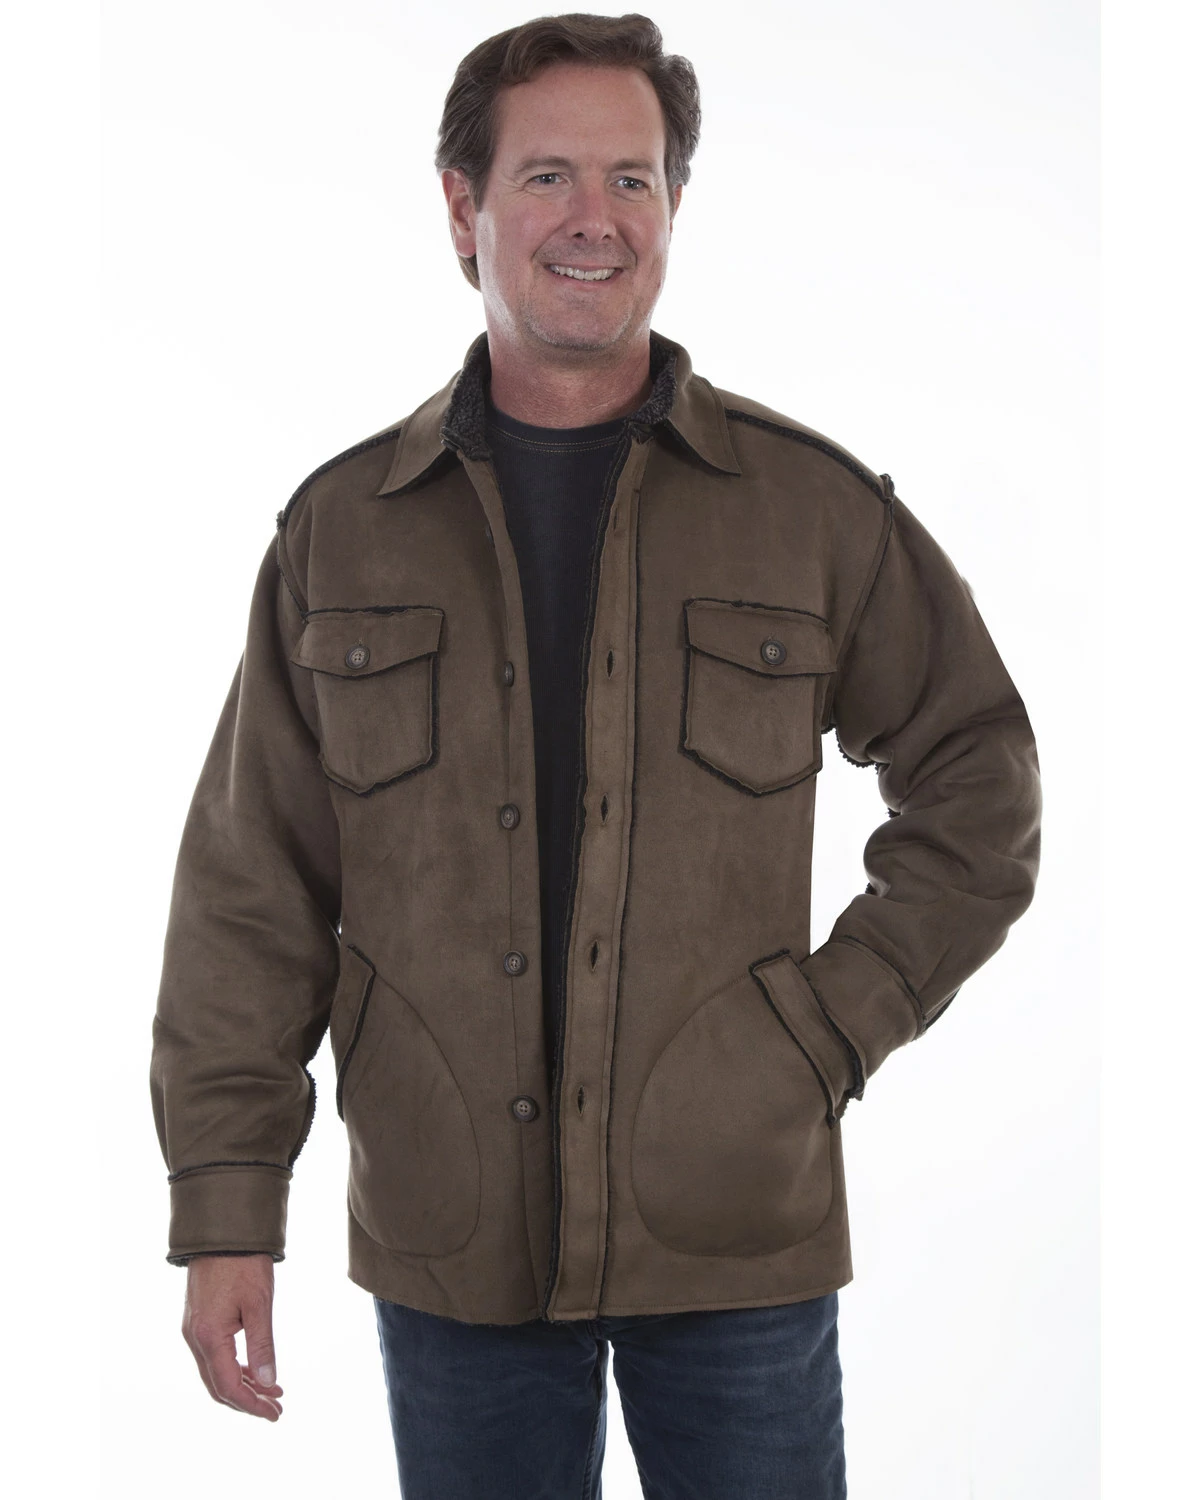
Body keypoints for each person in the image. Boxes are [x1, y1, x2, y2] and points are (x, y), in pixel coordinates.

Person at [149, 12, 1042, 1497]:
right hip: (450, 1231)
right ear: (464, 207)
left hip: (733, 1222)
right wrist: (226, 1207)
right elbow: (254, 888)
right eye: (549, 175)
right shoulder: (342, 530)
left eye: (634, 180)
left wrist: (827, 1028)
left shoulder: (812, 511)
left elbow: (979, 777)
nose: (595, 218)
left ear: (676, 206)